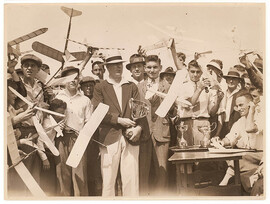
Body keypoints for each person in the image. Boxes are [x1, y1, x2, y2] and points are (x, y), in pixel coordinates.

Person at [92, 51, 148, 197]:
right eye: (114, 65)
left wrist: (139, 128)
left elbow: (140, 110)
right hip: (109, 137)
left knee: (131, 179)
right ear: (107, 68)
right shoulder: (100, 87)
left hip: (130, 137)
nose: (118, 67)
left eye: (120, 64)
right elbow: (97, 111)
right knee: (109, 179)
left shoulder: (131, 86)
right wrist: (117, 120)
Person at [137, 55, 176, 195]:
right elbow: (136, 111)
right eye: (149, 67)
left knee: (162, 171)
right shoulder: (138, 87)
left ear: (160, 67)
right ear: (144, 68)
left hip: (162, 132)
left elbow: (172, 112)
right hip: (144, 133)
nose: (152, 70)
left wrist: (169, 103)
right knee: (143, 171)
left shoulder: (168, 87)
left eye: (155, 67)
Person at [212, 92, 263, 186]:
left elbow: (250, 128)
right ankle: (226, 185)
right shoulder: (239, 122)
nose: (239, 109)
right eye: (237, 106)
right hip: (249, 157)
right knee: (233, 158)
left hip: (261, 156)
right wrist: (221, 142)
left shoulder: (261, 117)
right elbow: (231, 137)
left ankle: (223, 185)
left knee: (239, 157)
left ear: (250, 104)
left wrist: (252, 110)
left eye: (241, 105)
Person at [55, 66, 92, 196]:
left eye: (76, 78)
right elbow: (49, 119)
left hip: (78, 139)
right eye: (70, 78)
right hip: (61, 139)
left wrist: (83, 135)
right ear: (64, 80)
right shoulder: (56, 97)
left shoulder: (85, 100)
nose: (73, 81)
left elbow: (89, 122)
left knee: (79, 176)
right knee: (63, 175)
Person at [177, 60, 223, 146]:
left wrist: (218, 101)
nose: (195, 74)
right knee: (186, 155)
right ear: (188, 71)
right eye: (192, 71)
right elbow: (188, 105)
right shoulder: (183, 86)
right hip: (186, 123)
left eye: (198, 72)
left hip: (203, 123)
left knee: (202, 153)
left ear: (201, 72)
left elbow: (211, 112)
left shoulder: (207, 88)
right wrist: (199, 89)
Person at [215, 67, 243, 139]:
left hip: (236, 127)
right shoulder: (222, 94)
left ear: (238, 81)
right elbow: (221, 115)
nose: (231, 81)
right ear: (226, 80)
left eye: (234, 79)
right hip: (223, 127)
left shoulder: (240, 95)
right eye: (229, 78)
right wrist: (217, 133)